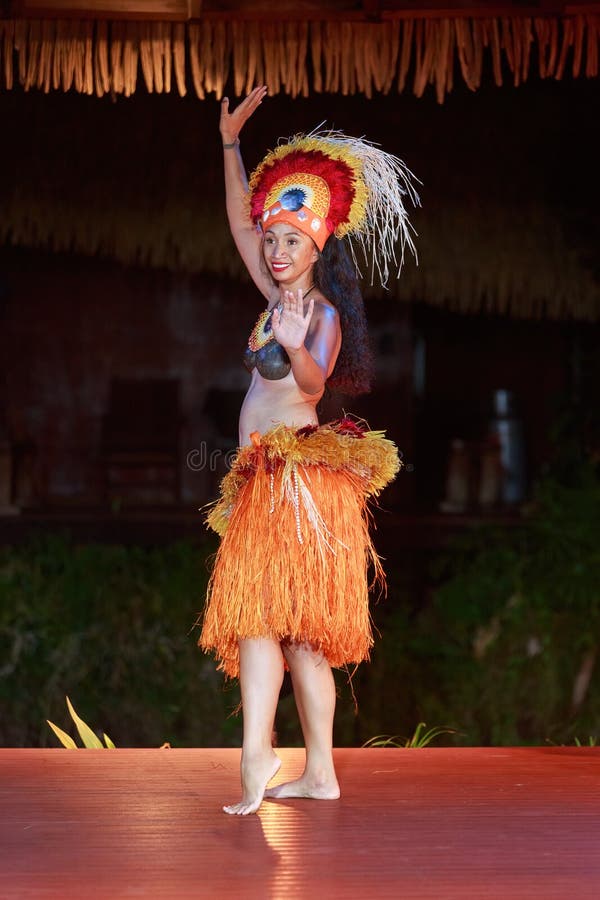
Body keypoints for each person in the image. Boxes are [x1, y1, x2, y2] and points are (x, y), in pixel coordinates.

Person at [198, 86, 419, 815]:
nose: (275, 248)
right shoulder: (273, 296)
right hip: (266, 480)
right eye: (272, 239)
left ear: (317, 245)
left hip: (292, 478)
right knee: (296, 638)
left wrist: (294, 350)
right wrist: (231, 144)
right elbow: (237, 221)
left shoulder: (316, 313)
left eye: (290, 240)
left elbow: (317, 382)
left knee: (265, 617)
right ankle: (318, 772)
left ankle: (259, 753)